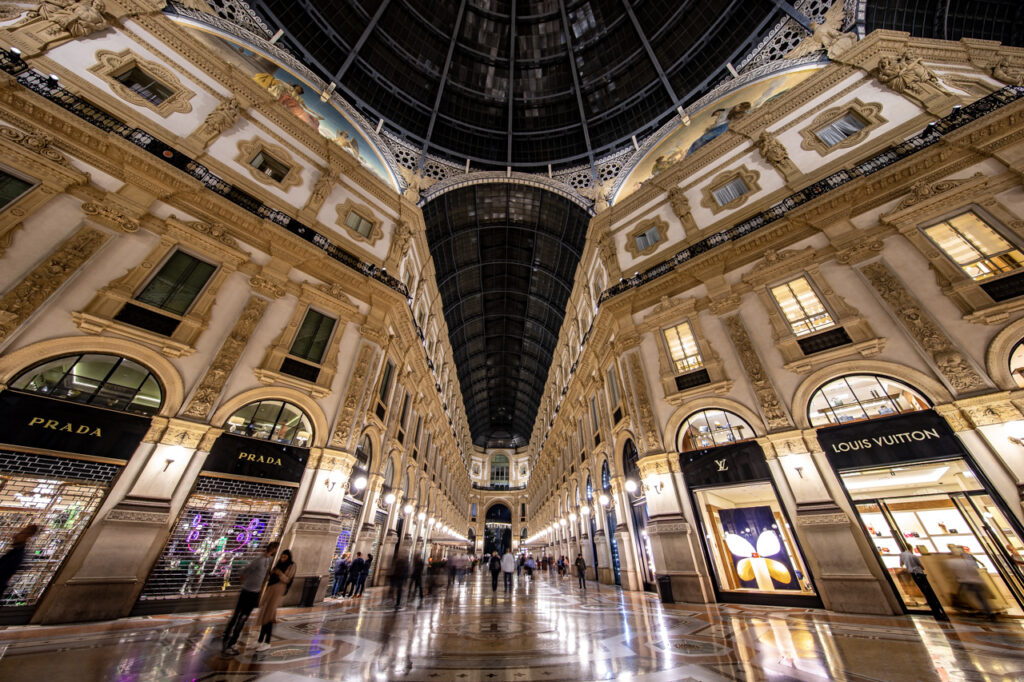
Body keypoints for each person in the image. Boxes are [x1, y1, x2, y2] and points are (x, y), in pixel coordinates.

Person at [221, 541, 279, 655]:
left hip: (255, 593)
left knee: (242, 617)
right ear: (272, 549)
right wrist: (245, 582)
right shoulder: (260, 559)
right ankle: (228, 640)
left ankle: (231, 641)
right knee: (239, 617)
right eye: (275, 548)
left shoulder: (268, 561)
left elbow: (264, 574)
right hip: (247, 592)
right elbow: (245, 571)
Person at [255, 549, 296, 651]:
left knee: (269, 616)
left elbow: (288, 579)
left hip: (278, 591)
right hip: (270, 589)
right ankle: (259, 640)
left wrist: (280, 574)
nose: (282, 559)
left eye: (285, 557)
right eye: (282, 557)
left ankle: (267, 641)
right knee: (264, 614)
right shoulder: (277, 564)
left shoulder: (291, 565)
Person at [898, 547, 947, 621]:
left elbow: (901, 564)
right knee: (929, 592)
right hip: (919, 573)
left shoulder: (902, 555)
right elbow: (921, 566)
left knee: (925, 592)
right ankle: (937, 611)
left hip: (912, 574)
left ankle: (934, 610)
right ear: (910, 549)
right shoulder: (913, 556)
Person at [948, 545, 995, 618]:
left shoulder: (953, 562)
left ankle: (984, 611)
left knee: (965, 596)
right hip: (975, 580)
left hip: (965, 581)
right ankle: (987, 611)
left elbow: (953, 572)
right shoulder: (968, 560)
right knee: (980, 597)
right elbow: (975, 569)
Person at [0, 524, 39, 600]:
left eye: (22, 533)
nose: (16, 535)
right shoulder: (15, 552)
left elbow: (4, 570)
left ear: (27, 537)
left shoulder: (18, 555)